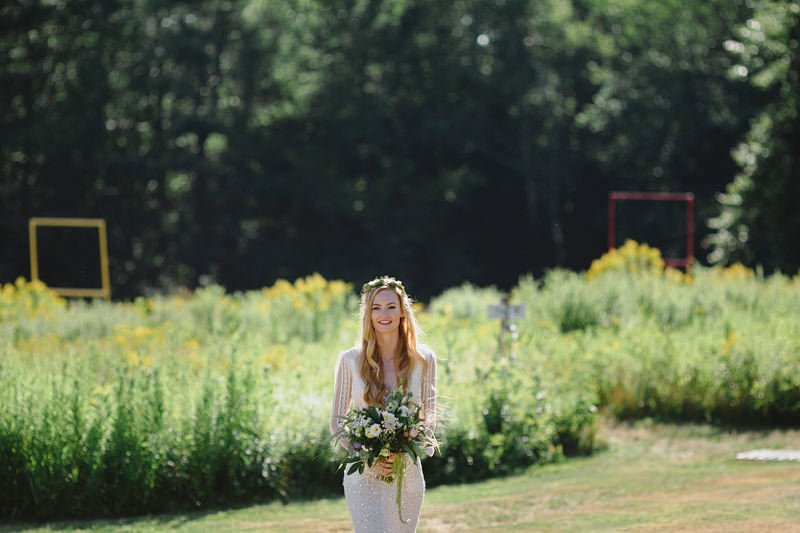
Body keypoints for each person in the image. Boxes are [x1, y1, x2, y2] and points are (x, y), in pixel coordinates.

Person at [330, 276, 437, 532]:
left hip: (406, 472)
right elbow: (336, 421)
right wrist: (366, 456)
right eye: (376, 308)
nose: (383, 314)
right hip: (364, 475)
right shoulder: (350, 361)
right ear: (368, 314)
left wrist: (415, 433)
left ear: (402, 311)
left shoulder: (424, 359)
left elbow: (430, 411)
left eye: (390, 306)